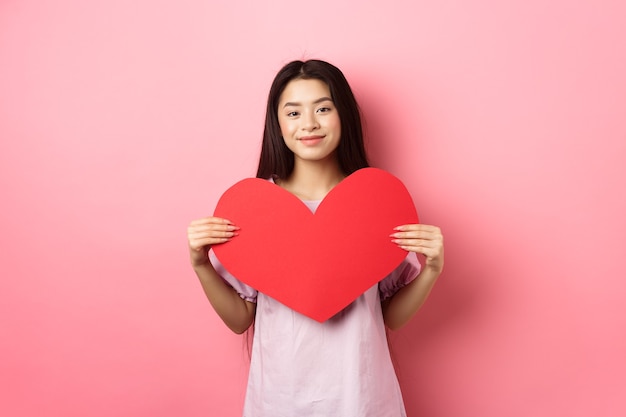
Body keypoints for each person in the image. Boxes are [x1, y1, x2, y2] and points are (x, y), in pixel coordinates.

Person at [187, 59, 444, 417]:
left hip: (363, 398)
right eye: (293, 113)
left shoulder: (375, 204)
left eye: (323, 108)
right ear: (277, 124)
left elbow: (390, 316)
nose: (309, 124)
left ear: (344, 115)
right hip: (280, 399)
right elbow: (240, 319)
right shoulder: (255, 211)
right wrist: (201, 265)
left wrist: (431, 269)